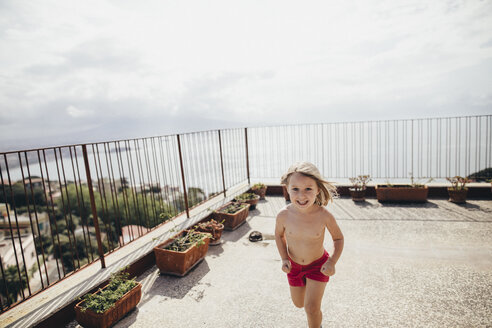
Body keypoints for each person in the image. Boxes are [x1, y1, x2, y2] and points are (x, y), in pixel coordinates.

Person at [275, 162, 344, 328]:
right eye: (295, 189)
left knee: (311, 308)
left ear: (318, 190)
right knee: (299, 304)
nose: (301, 195)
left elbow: (338, 239)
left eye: (308, 189)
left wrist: (332, 262)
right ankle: (309, 296)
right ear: (287, 189)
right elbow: (278, 235)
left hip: (318, 266)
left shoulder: (324, 215)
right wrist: (284, 258)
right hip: (294, 266)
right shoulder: (283, 215)